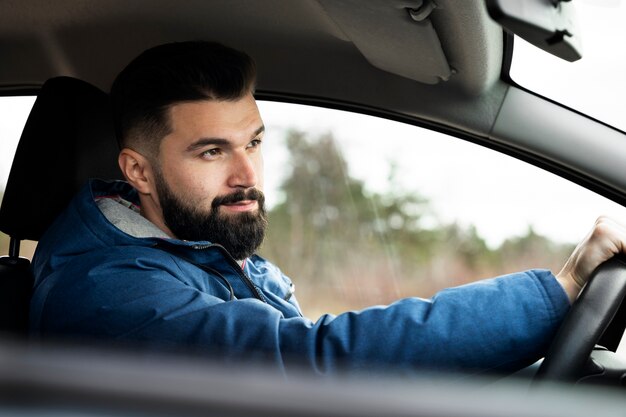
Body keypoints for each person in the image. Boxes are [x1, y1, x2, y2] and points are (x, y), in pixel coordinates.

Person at [29, 41, 626, 376]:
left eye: (254, 142)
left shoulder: (192, 251)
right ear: (138, 171)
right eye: (211, 151)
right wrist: (563, 285)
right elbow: (307, 359)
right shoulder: (107, 291)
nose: (247, 176)